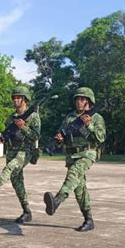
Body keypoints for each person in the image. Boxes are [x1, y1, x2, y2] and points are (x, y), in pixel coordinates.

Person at [43, 87, 106, 232]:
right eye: (77, 99)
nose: (79, 101)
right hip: (71, 155)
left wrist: (89, 125)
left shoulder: (96, 117)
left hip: (87, 153)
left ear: (89, 101)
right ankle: (89, 220)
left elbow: (100, 138)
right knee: (79, 189)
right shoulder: (70, 118)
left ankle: (57, 201)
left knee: (73, 174)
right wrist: (59, 139)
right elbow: (62, 135)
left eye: (82, 99)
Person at [0, 86, 41, 223]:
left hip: (25, 151)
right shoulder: (11, 117)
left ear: (25, 99)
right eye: (14, 97)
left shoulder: (33, 116)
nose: (15, 99)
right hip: (12, 150)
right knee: (17, 182)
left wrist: (23, 127)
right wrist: (1, 140)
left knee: (10, 168)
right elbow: (9, 133)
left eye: (18, 97)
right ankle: (27, 211)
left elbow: (36, 136)